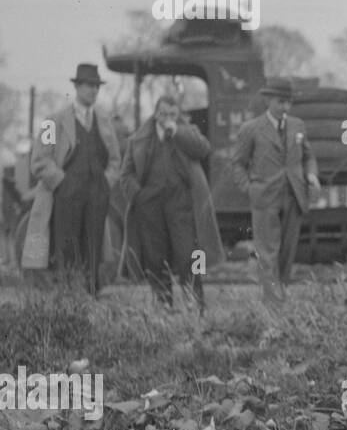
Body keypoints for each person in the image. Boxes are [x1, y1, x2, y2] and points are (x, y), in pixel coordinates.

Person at [22, 64, 122, 295]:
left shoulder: (105, 123)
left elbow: (115, 160)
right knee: (65, 250)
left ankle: (89, 301)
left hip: (97, 195)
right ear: (76, 87)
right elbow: (39, 161)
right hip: (64, 198)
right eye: (88, 85)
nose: (93, 90)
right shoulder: (53, 121)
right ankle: (67, 303)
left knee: (93, 250)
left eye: (96, 86)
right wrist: (62, 182)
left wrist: (107, 182)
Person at [120, 95, 224, 310]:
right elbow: (126, 174)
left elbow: (204, 149)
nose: (168, 118)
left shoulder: (187, 131)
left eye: (173, 115)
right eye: (164, 114)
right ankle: (163, 304)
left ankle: (195, 302)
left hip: (182, 204)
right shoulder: (138, 139)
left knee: (191, 255)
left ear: (178, 115)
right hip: (150, 205)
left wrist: (177, 131)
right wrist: (138, 196)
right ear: (156, 113)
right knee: (155, 258)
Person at [230, 78, 321, 305]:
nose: (285, 108)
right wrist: (249, 189)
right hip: (265, 199)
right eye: (281, 102)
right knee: (267, 254)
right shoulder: (250, 129)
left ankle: (280, 298)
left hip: (294, 197)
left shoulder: (298, 126)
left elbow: (308, 156)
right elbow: (237, 164)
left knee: (287, 253)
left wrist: (311, 175)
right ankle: (273, 307)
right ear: (268, 100)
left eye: (289, 103)